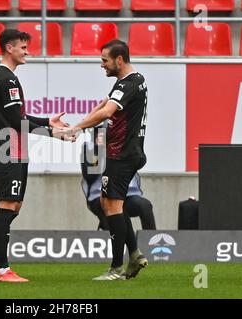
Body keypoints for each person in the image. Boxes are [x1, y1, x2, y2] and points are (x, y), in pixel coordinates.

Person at [0, 29, 71, 283]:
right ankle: (3, 269)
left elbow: (16, 118)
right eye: (23, 47)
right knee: (7, 205)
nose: (27, 52)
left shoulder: (3, 77)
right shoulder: (6, 79)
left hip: (13, 148)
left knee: (13, 206)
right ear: (9, 48)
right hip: (9, 149)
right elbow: (17, 121)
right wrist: (53, 131)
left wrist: (47, 122)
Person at [69, 39, 149, 280]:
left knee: (112, 207)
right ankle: (134, 254)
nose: (102, 64)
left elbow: (106, 112)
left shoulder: (130, 83)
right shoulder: (128, 82)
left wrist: (75, 129)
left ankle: (116, 268)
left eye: (105, 60)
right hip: (124, 153)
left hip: (123, 154)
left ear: (119, 60)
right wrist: (79, 125)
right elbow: (102, 105)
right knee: (109, 203)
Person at [81, 129, 156, 231]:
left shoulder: (124, 148)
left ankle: (151, 241)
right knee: (115, 214)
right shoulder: (91, 150)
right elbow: (89, 176)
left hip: (127, 195)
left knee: (144, 205)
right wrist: (98, 151)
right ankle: (118, 241)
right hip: (101, 197)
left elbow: (140, 162)